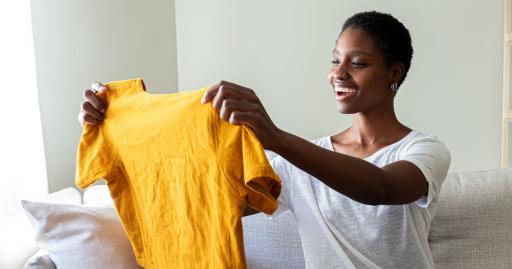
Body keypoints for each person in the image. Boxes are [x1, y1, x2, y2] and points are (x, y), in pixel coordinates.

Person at [78, 11, 450, 268]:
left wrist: (275, 138)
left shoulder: (425, 151)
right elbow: (209, 201)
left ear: (394, 73)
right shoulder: (298, 164)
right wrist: (119, 126)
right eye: (335, 60)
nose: (339, 73)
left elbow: (381, 189)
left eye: (358, 63)